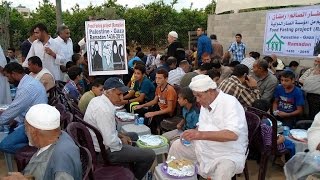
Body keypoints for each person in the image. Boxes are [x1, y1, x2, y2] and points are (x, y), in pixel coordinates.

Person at [168, 74, 248, 179]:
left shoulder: (230, 103)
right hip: (205, 145)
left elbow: (232, 135)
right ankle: (178, 176)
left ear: (210, 91)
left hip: (228, 151)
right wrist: (193, 133)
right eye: (195, 96)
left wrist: (200, 134)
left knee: (224, 170)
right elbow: (201, 126)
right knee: (177, 145)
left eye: (199, 96)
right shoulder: (206, 103)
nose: (197, 100)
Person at [84, 77, 156, 179]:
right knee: (150, 154)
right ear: (109, 92)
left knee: (133, 135)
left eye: (122, 94)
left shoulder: (96, 100)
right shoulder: (104, 110)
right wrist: (122, 141)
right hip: (104, 152)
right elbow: (110, 142)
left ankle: (131, 161)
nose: (122, 98)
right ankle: (134, 177)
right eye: (119, 94)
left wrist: (121, 136)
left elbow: (106, 130)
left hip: (101, 142)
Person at [1, 104, 82, 180]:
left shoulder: (61, 162)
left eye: (25, 127)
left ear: (33, 132)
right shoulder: (59, 136)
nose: (25, 132)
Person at [0, 62, 47, 154]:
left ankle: (39, 150)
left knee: (4, 145)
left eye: (8, 76)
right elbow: (19, 108)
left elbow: (14, 109)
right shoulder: (28, 81)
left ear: (14, 74)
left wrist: (2, 120)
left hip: (35, 125)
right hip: (31, 120)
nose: (7, 80)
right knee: (8, 127)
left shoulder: (27, 88)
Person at [134, 69, 177, 134]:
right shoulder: (158, 87)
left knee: (152, 119)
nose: (157, 80)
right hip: (159, 108)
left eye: (160, 78)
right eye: (156, 78)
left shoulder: (170, 90)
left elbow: (169, 109)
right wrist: (142, 105)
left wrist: (154, 113)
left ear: (166, 79)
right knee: (141, 111)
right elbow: (154, 101)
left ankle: (154, 134)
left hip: (167, 113)